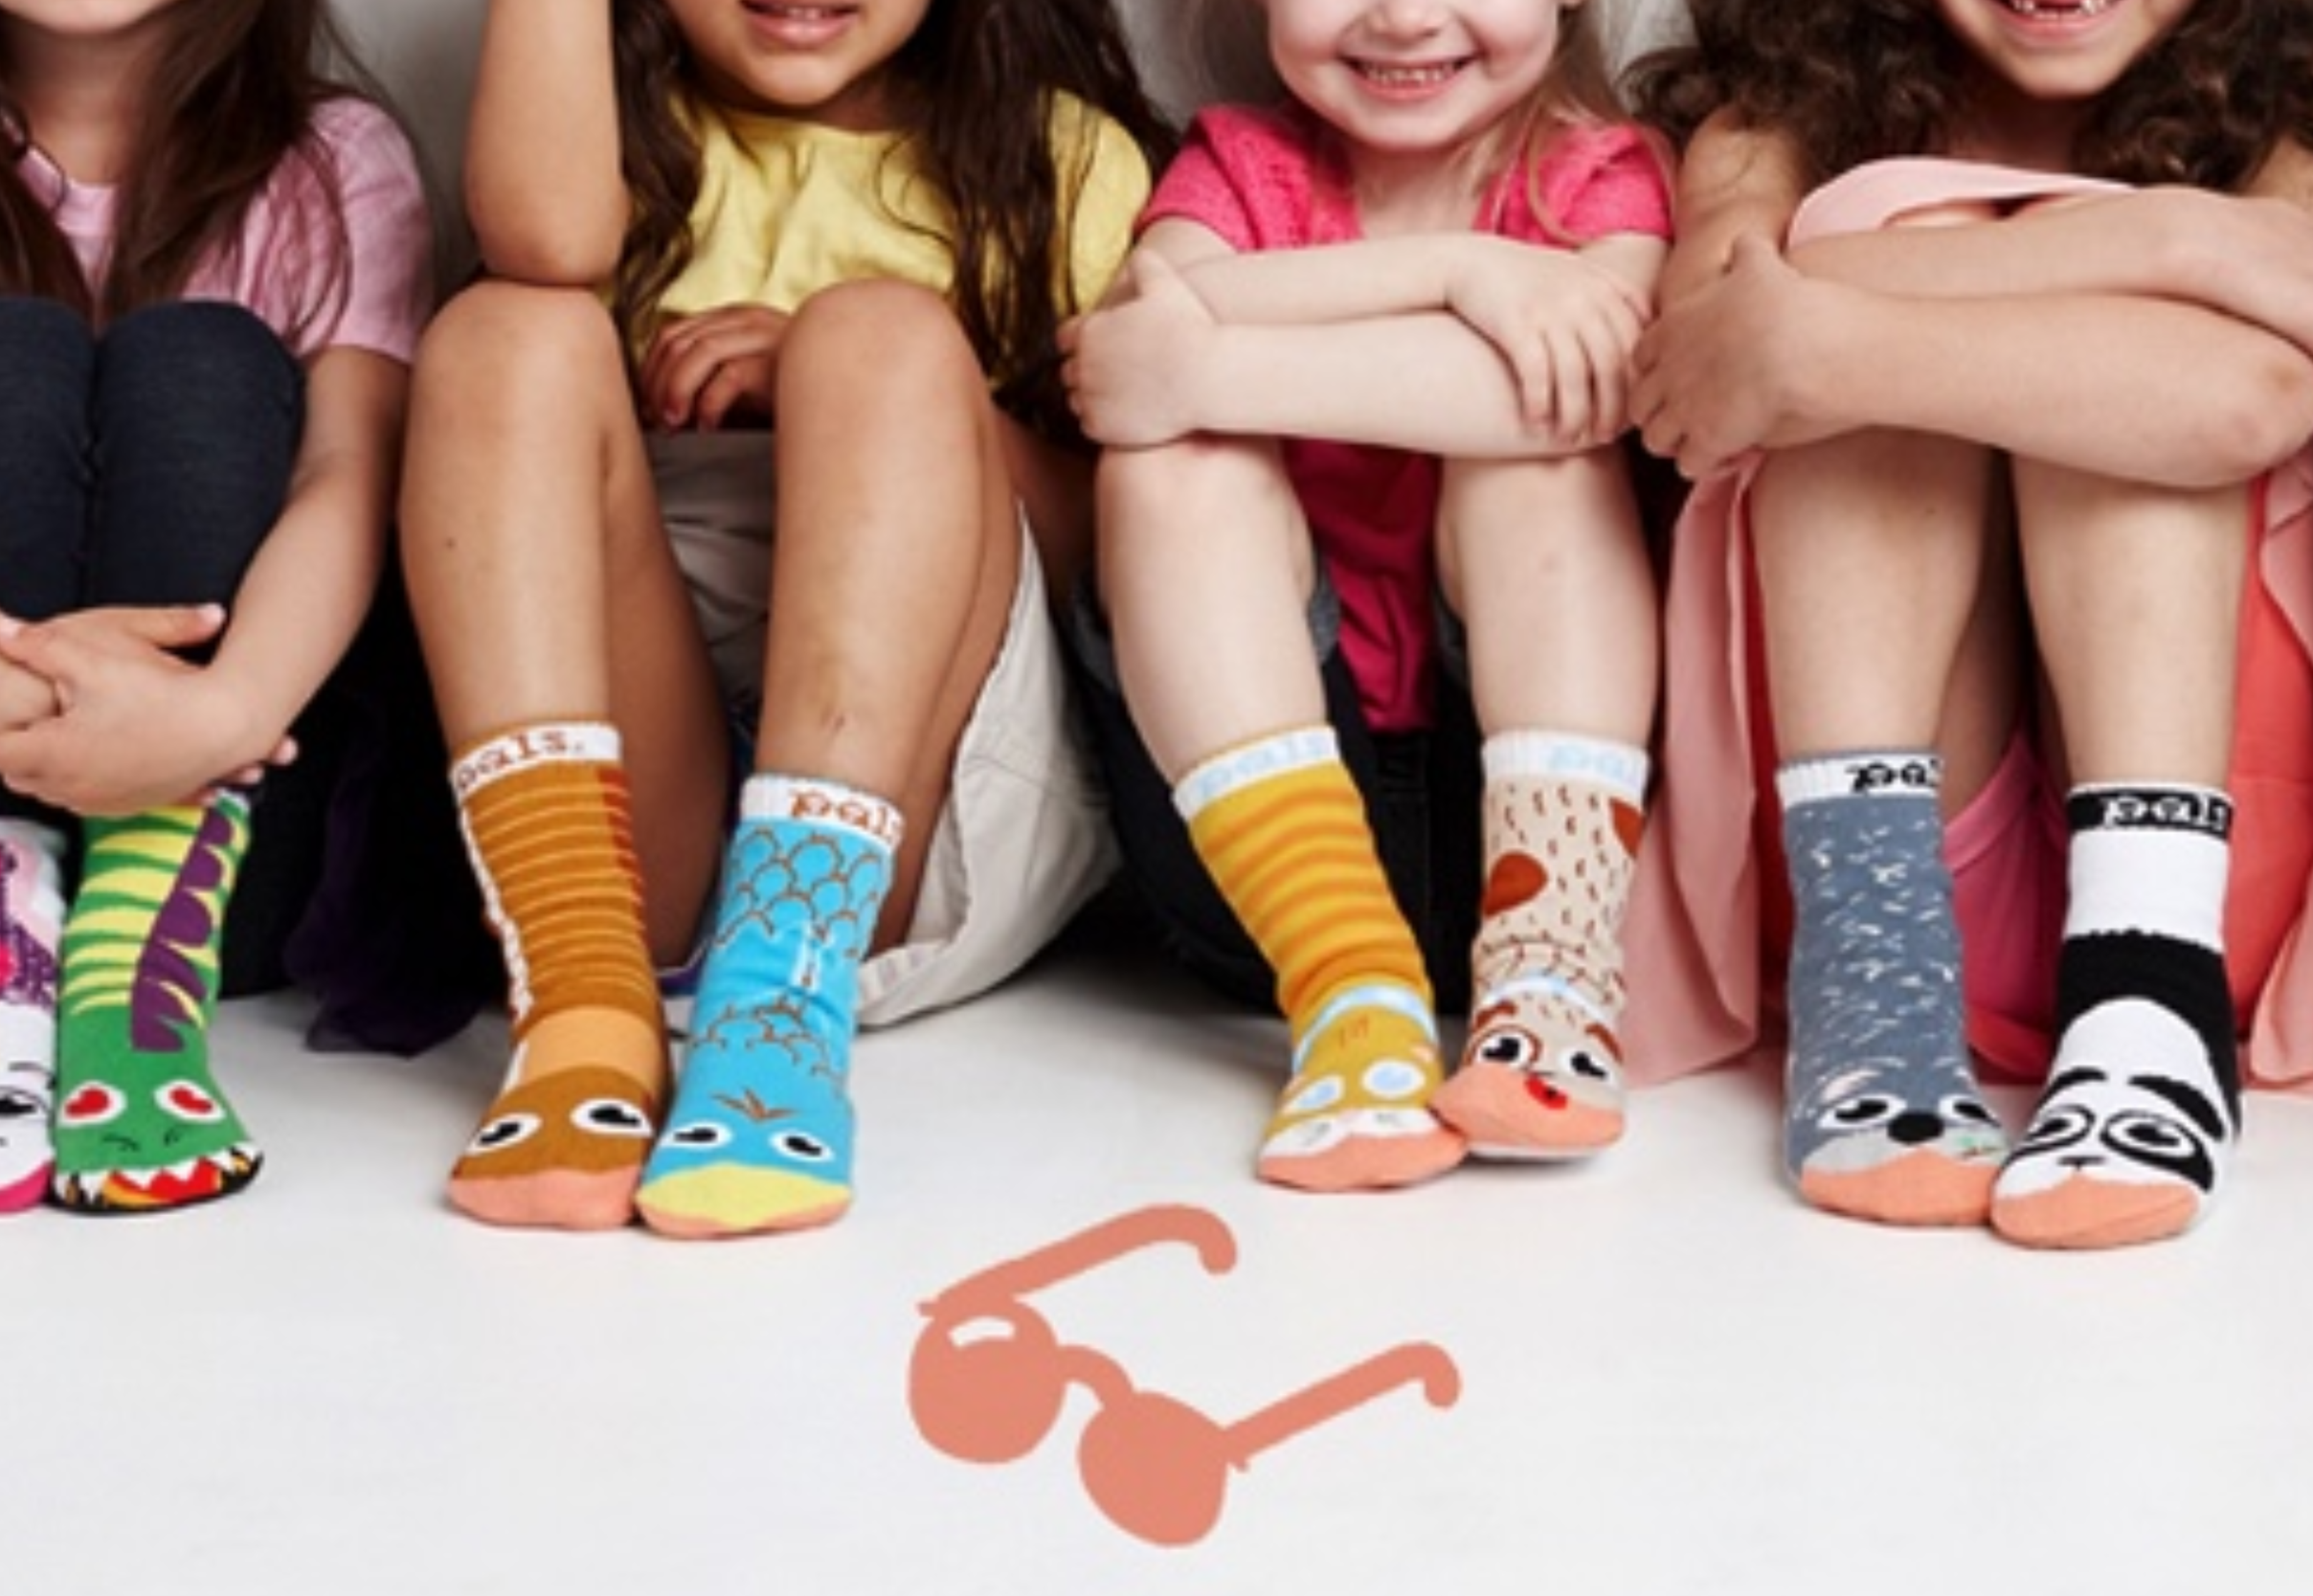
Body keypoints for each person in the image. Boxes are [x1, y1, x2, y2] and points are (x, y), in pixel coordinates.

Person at [400, 0, 1171, 1237]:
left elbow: (1118, 553)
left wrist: (881, 386)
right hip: (657, 786)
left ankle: (774, 1009)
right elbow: (542, 241)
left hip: (917, 796)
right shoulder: (611, 141)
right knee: (504, 327)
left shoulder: (1057, 159)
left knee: (877, 332)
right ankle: (583, 998)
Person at [1623, 0, 2313, 1247]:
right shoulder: (1775, 127)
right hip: (1894, 871)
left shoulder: (2287, 132)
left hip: (2204, 878)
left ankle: (2144, 1002)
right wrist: (2201, 250)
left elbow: (2250, 405)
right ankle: (1877, 1002)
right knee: (1880, 239)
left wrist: (1841, 325)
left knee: (1926, 306)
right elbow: (1722, 334)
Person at [1059, 0, 1672, 1191]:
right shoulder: (1234, 168)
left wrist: (1216, 365)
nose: (1400, 16)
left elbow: (1581, 397)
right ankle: (1350, 992)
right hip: (1258, 866)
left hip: (1519, 824)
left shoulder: (1601, 179)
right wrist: (1462, 275)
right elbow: (1134, 347)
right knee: (1172, 465)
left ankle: (1550, 980)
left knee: (1540, 458)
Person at [0, 0, 432, 1215]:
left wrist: (223, 712)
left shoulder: (335, 161)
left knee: (201, 357)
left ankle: (133, 961)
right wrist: (11, 696)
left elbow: (352, 477)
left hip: (224, 829)